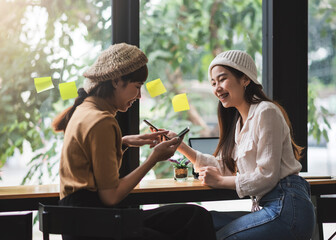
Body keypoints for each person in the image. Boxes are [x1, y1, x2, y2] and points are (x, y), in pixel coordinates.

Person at [52, 43, 216, 240]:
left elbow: (90, 155)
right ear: (116, 81)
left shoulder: (84, 111)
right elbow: (111, 197)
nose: (139, 96)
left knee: (192, 216)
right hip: (97, 226)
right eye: (137, 87)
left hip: (79, 223)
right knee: (195, 220)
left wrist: (124, 142)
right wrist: (153, 158)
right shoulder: (102, 121)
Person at [169, 50, 316, 240]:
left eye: (222, 79)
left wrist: (220, 181)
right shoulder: (240, 123)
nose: (217, 88)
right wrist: (179, 146)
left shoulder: (266, 111)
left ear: (245, 79)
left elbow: (266, 176)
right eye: (213, 83)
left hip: (288, 210)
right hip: (273, 206)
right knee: (203, 222)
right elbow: (224, 166)